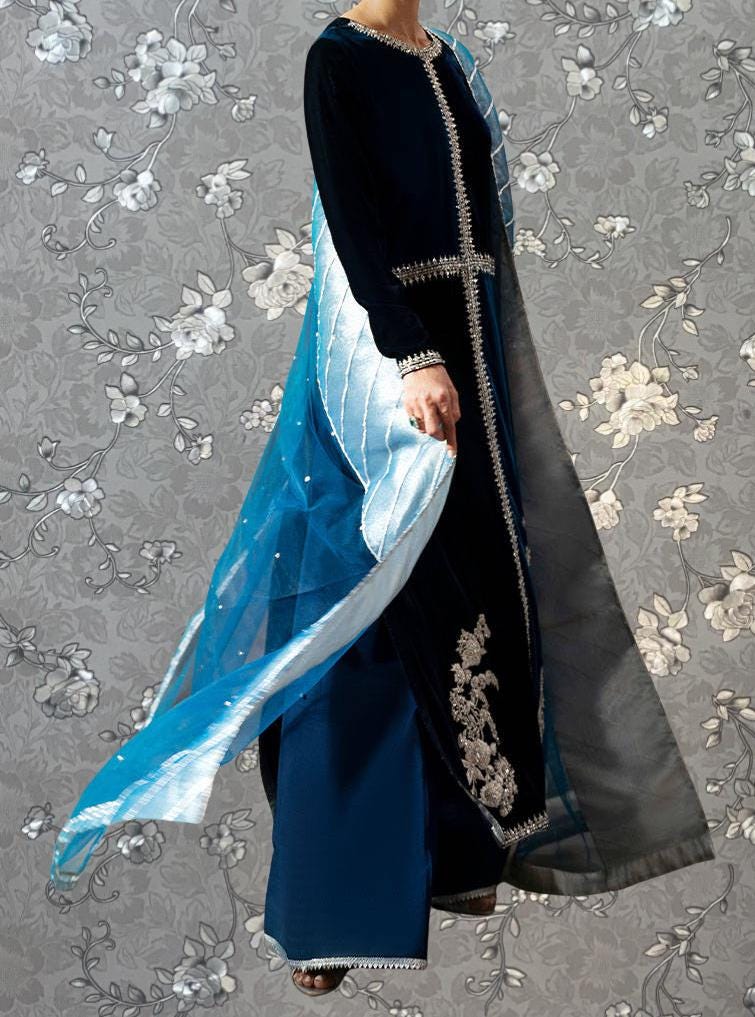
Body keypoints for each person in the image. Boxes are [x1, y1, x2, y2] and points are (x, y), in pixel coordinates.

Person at [49, 0, 716, 1000]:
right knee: (362, 614)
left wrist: (466, 351)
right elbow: (353, 212)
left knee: (478, 601)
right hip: (387, 363)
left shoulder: (446, 63)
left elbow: (479, 222)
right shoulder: (338, 61)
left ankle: (462, 851)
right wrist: (408, 351)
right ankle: (330, 906)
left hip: (470, 359)